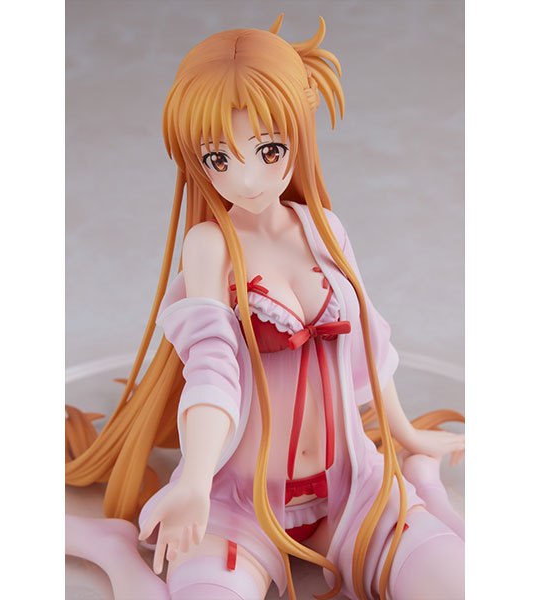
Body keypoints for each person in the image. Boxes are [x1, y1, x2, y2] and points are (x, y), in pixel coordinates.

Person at [66, 15, 465, 600]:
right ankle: (114, 549)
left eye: (269, 149)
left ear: (299, 134)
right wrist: (194, 482)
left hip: (353, 487)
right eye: (219, 160)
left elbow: (367, 340)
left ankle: (419, 486)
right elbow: (212, 369)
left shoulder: (325, 229)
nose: (248, 179)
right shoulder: (209, 246)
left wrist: (405, 432)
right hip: (239, 503)